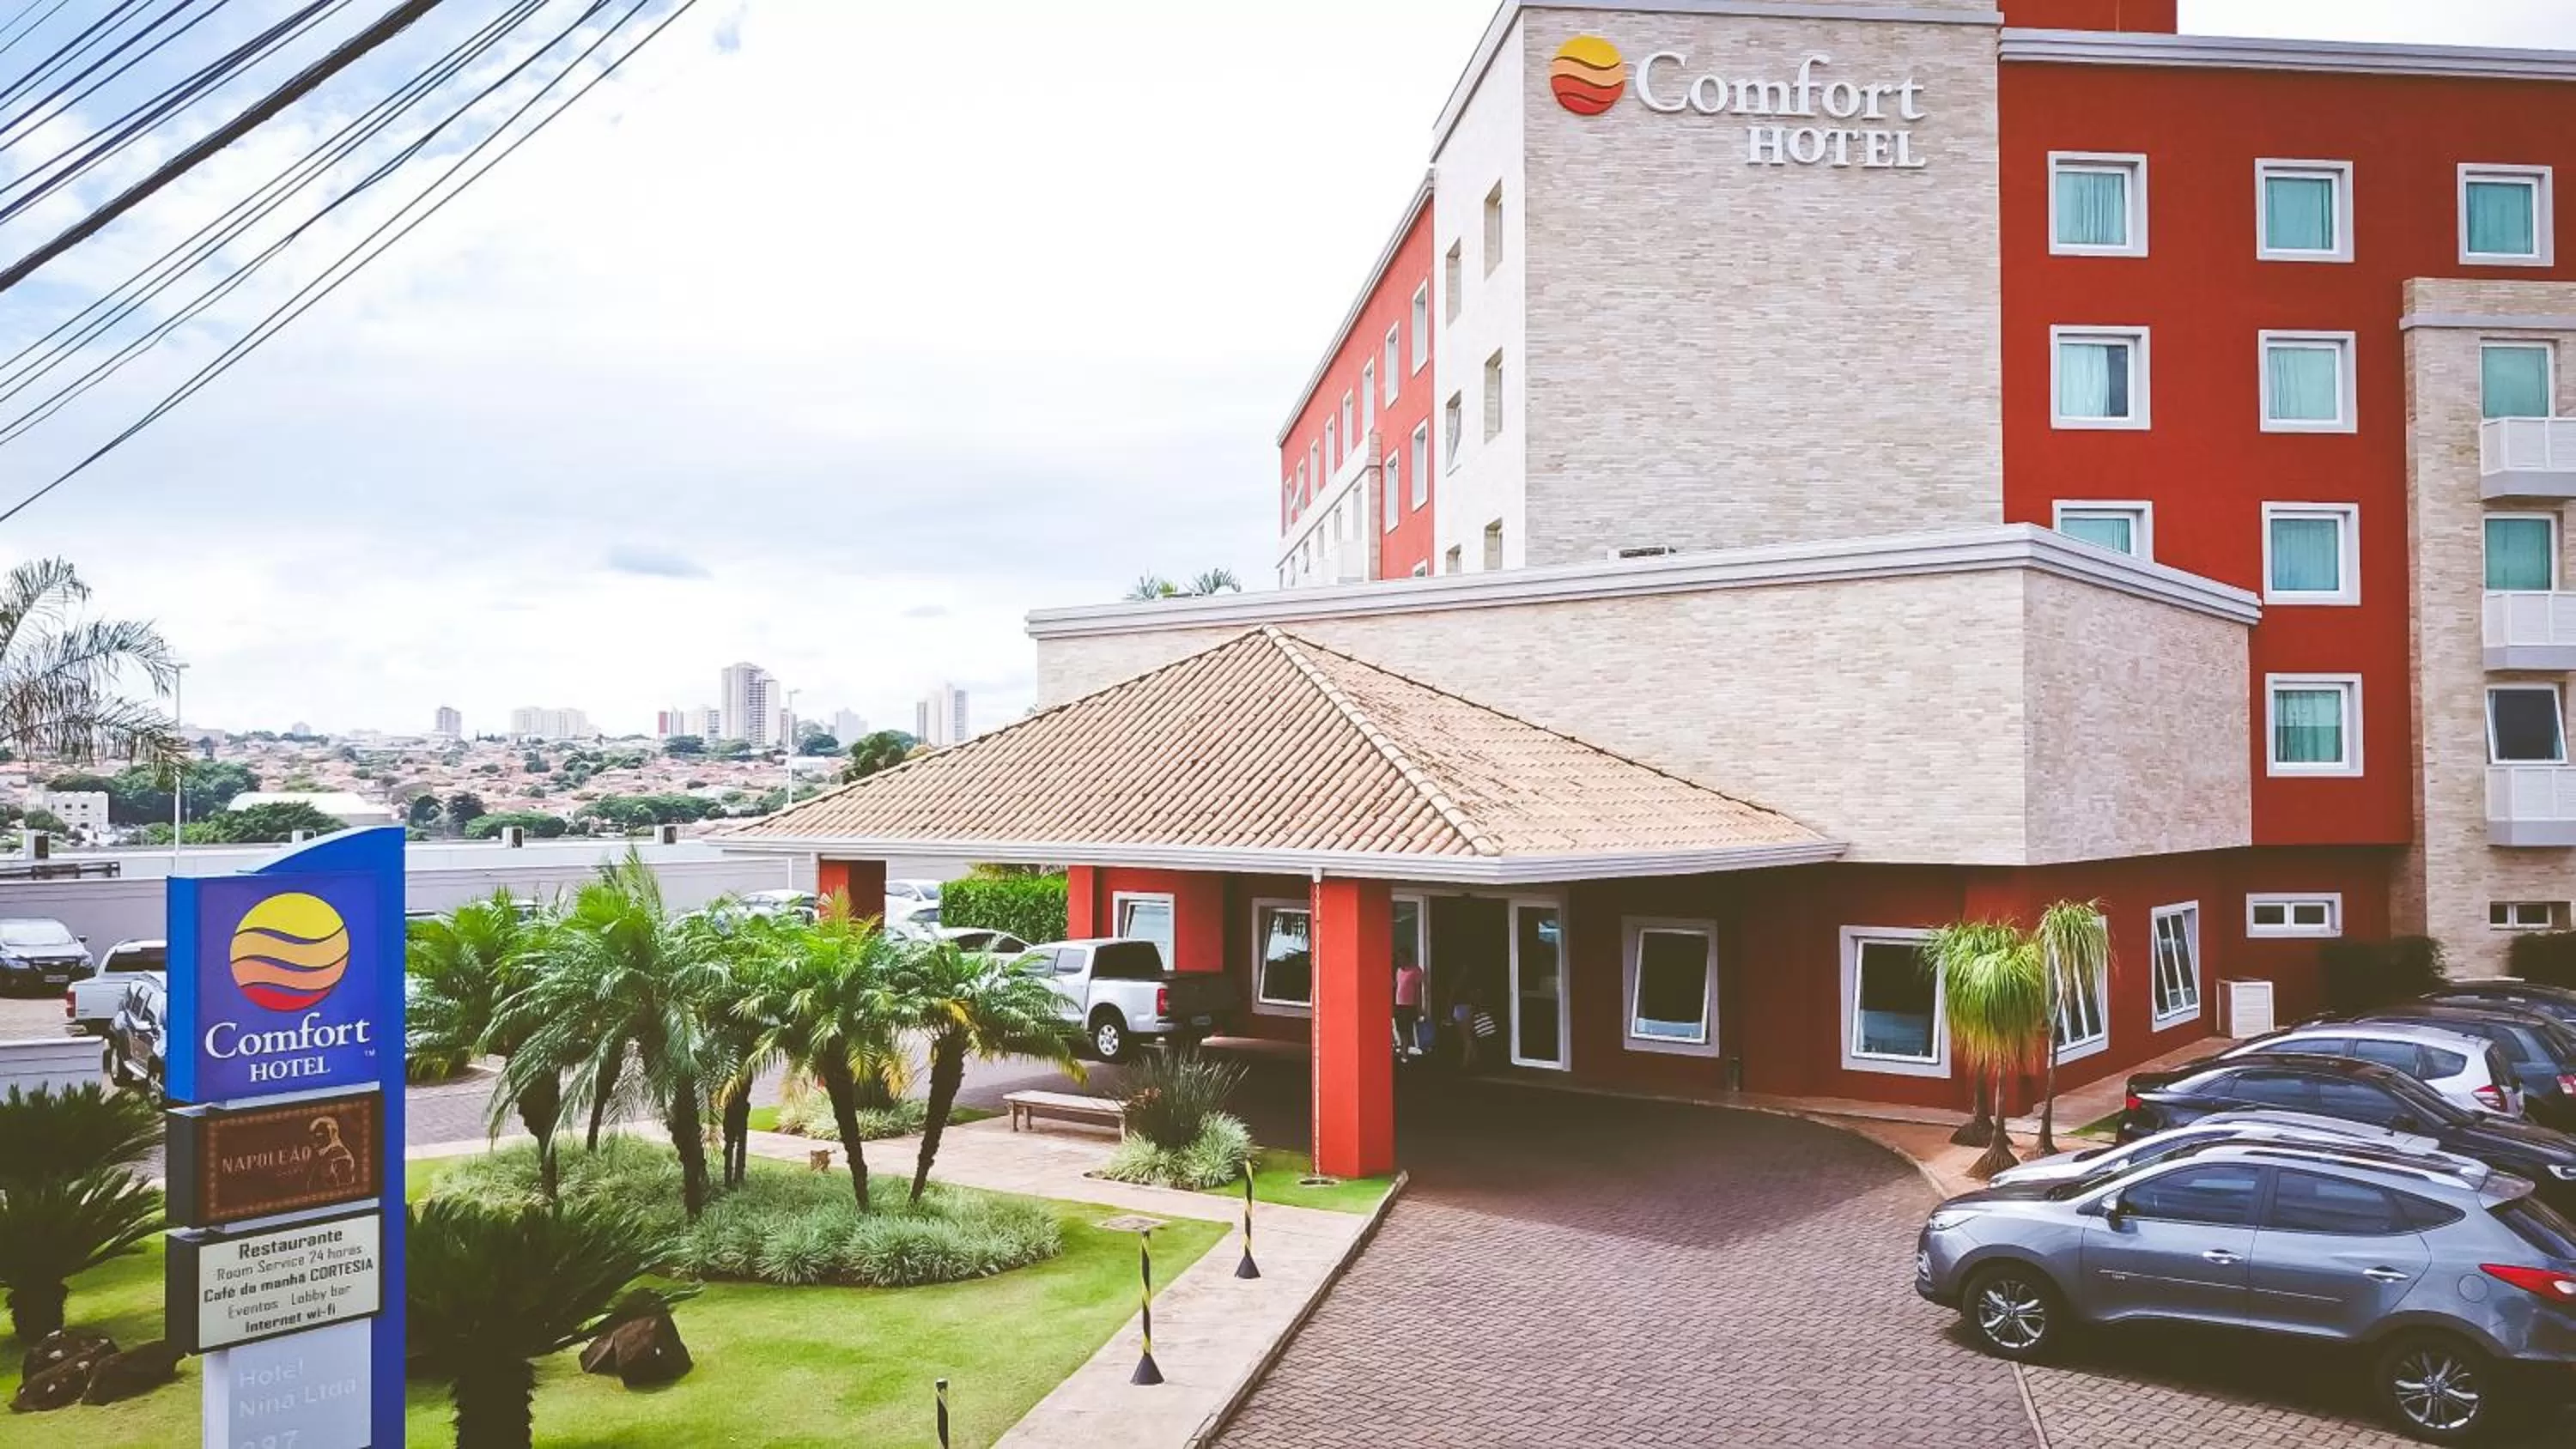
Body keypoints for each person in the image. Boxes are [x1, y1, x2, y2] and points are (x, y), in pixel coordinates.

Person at [1394, 954, 1425, 1058]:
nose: (1399, 960)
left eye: (1401, 958)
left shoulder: (1415, 971)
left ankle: (1404, 1052)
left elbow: (1418, 990)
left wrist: (1419, 1008)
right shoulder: (1398, 971)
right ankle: (1403, 1049)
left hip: (1409, 1005)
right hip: (1399, 1005)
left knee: (1406, 1030)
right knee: (1400, 1029)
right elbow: (1398, 987)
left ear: (1407, 958)